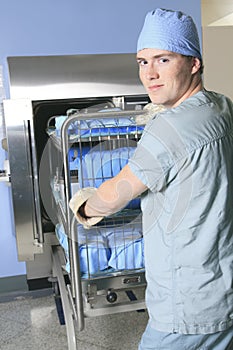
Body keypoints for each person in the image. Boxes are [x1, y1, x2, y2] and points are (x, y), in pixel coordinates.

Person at [69, 8, 233, 350]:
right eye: (143, 62)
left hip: (188, 305)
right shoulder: (221, 107)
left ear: (194, 63)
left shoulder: (168, 128)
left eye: (163, 59)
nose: (150, 74)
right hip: (222, 288)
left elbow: (118, 193)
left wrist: (85, 206)